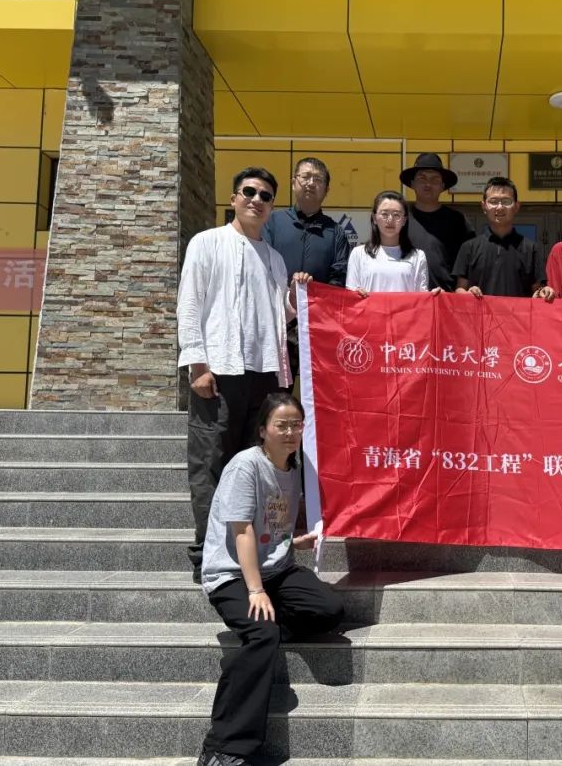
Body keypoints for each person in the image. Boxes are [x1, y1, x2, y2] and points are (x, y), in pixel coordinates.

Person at [178, 167, 310, 585]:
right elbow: (189, 303)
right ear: (234, 198)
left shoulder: (274, 258)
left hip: (266, 374)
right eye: (249, 192)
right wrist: (197, 363)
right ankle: (208, 555)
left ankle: (254, 554)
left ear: (272, 207)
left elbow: (279, 316)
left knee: (257, 465)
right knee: (212, 462)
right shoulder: (207, 243)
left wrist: (298, 297)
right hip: (221, 370)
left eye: (265, 196)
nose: (257, 200)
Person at [198, 393, 345, 766]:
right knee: (263, 635)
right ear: (263, 429)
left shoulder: (295, 468)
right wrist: (255, 590)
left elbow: (270, 528)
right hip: (233, 575)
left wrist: (293, 542)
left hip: (276, 569)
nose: (291, 432)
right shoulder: (245, 466)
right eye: (282, 425)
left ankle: (270, 622)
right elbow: (243, 530)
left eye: (297, 424)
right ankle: (224, 747)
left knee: (330, 609)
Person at [262, 157, 351, 381]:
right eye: (305, 177)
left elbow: (339, 277)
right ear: (294, 183)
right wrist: (288, 296)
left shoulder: (336, 232)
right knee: (275, 390)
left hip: (318, 324)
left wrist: (316, 300)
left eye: (318, 179)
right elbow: (262, 267)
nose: (311, 183)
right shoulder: (272, 222)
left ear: (327, 190)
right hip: (277, 322)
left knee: (320, 388)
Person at [453, 176, 545, 298]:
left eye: (506, 201)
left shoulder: (532, 249)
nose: (500, 207)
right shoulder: (469, 247)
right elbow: (460, 289)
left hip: (517, 311)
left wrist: (542, 292)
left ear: (516, 206)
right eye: (494, 201)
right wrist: (467, 294)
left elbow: (537, 292)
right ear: (484, 206)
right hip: (480, 311)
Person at [401, 152, 475, 291]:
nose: (428, 184)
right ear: (412, 184)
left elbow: (470, 261)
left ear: (442, 186)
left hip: (447, 297)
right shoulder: (401, 218)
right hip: (408, 296)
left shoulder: (458, 220)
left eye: (434, 180)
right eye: (422, 178)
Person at [346, 191, 433, 295]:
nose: (390, 220)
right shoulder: (358, 253)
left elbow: (422, 298)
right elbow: (351, 294)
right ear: (374, 218)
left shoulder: (418, 256)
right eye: (384, 214)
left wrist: (436, 296)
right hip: (370, 306)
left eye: (396, 215)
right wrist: (356, 293)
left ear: (404, 220)